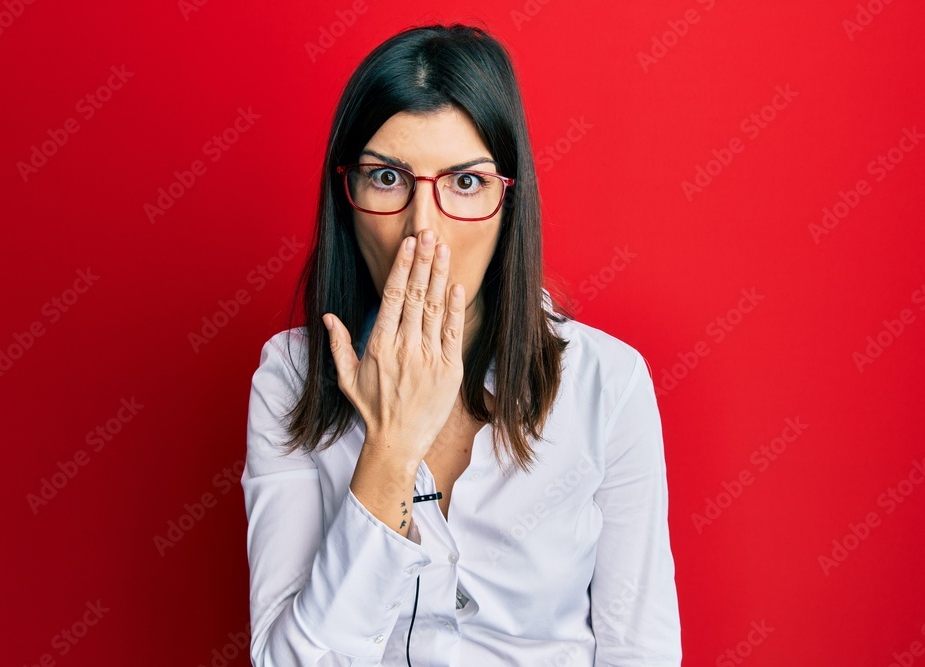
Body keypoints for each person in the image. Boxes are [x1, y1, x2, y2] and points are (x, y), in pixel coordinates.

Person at [242, 22, 682, 666]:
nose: (423, 230)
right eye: (386, 177)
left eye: (466, 183)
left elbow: (639, 648)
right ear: (347, 195)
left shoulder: (606, 383)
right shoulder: (290, 377)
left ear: (509, 199)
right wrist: (391, 449)